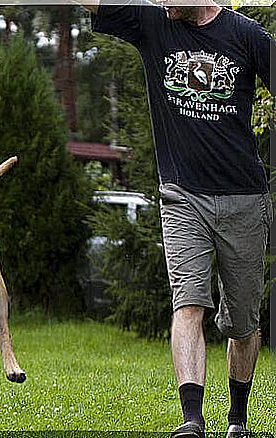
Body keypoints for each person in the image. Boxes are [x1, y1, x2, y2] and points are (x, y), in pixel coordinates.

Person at [76, 0, 274, 436]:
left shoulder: (245, 34)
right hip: (181, 195)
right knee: (188, 303)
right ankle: (191, 420)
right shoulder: (153, 24)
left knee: (243, 323)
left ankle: (237, 420)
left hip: (243, 199)